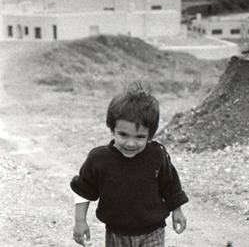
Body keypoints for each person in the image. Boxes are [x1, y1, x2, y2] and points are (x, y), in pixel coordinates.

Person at [70, 85, 188, 246]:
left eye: (140, 137)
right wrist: (80, 221)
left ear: (150, 135)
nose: (130, 143)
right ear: (112, 129)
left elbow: (170, 184)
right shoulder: (99, 159)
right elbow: (84, 190)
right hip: (116, 233)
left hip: (153, 231)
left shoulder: (157, 155)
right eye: (123, 135)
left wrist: (177, 210)